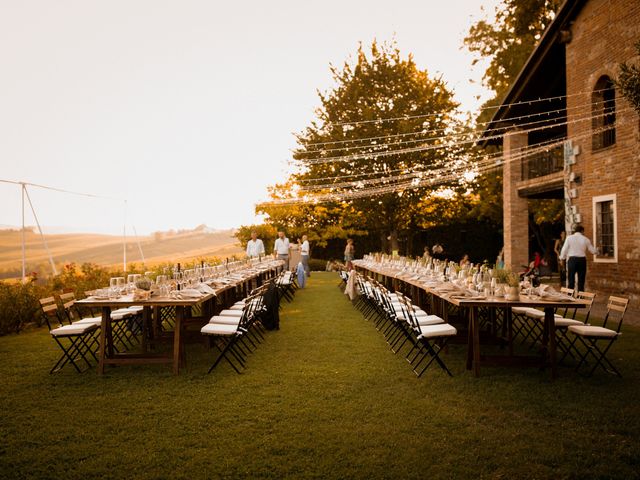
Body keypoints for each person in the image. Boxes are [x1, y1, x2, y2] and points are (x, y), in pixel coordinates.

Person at [559, 225, 598, 292]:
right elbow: (593, 251)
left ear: (575, 231)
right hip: (582, 261)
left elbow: (564, 250)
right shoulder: (585, 239)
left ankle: (570, 296)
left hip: (572, 260)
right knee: (581, 280)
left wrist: (562, 258)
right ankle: (581, 298)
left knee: (571, 280)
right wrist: (598, 251)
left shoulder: (569, 238)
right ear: (582, 231)